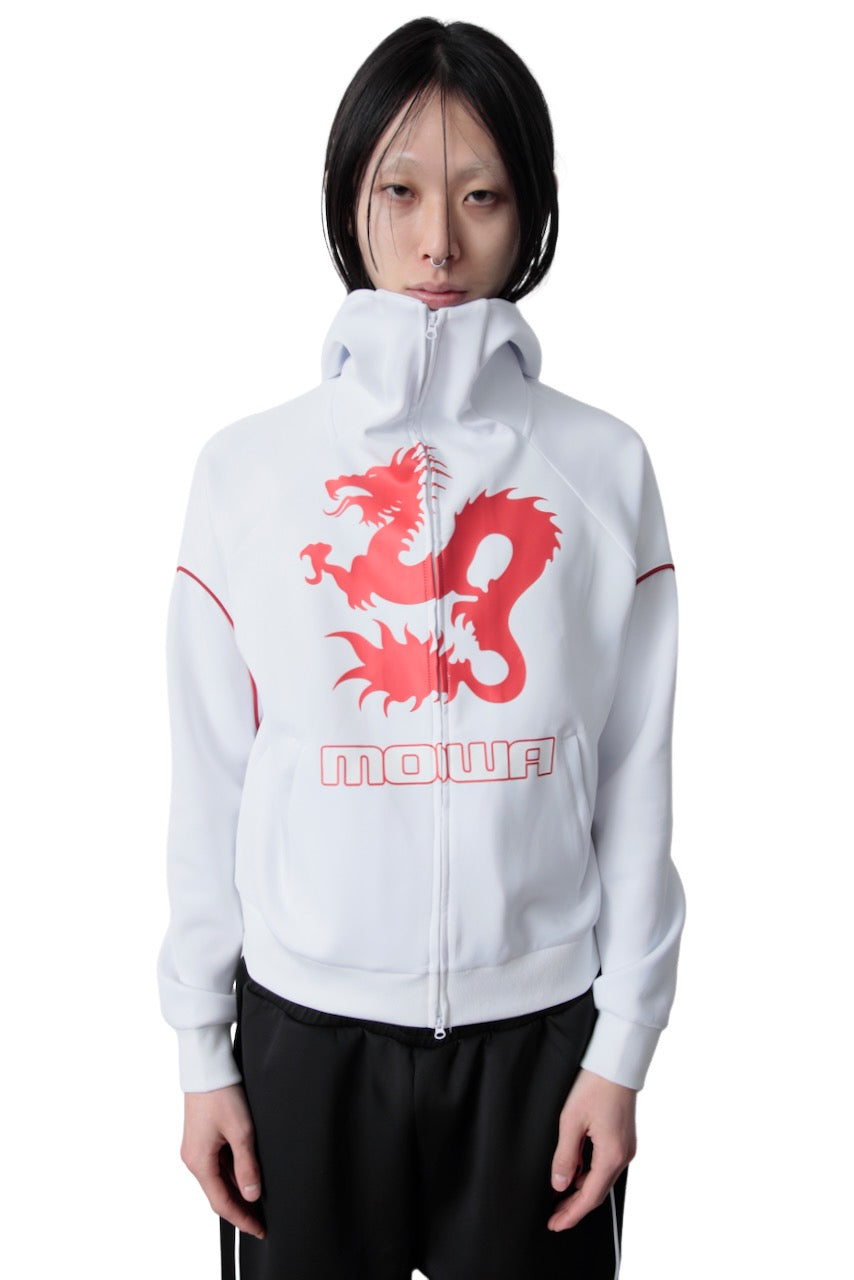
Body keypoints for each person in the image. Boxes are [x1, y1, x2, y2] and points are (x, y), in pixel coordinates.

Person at [158, 17, 685, 1280]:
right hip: (301, 1038)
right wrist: (200, 1048)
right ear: (348, 198)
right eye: (399, 191)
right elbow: (209, 775)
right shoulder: (248, 471)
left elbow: (634, 771)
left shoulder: (602, 468)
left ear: (531, 210)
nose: (437, 242)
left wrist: (621, 1045)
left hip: (539, 1044)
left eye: (479, 195)